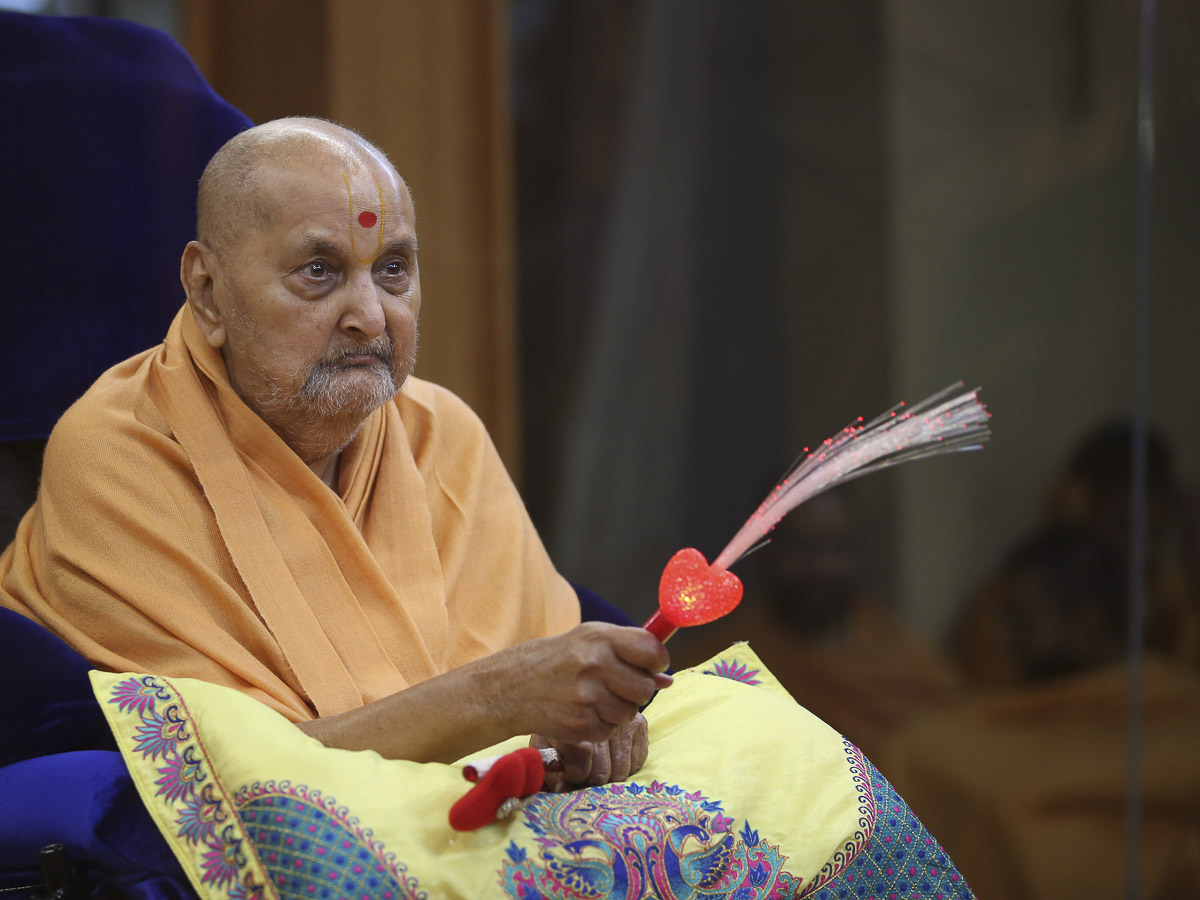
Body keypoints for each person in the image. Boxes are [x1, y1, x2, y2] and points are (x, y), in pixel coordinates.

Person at [0, 118, 670, 791]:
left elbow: (543, 700)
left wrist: (587, 723)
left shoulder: (442, 432)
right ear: (207, 290)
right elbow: (237, 782)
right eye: (319, 272)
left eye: (393, 270)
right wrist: (497, 699)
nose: (371, 318)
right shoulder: (118, 455)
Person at [674, 488, 960, 759]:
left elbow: (950, 723)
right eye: (804, 547)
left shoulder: (889, 640)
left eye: (839, 547)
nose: (823, 565)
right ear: (765, 551)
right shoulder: (722, 658)